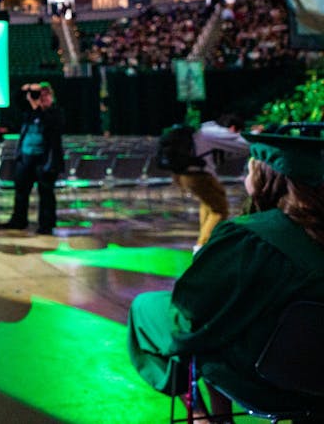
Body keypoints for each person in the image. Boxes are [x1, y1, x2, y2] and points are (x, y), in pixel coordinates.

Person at [128, 126, 324, 421]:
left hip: (260, 380)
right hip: (315, 376)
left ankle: (200, 413)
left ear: (266, 178)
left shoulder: (249, 238)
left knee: (149, 309)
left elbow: (188, 319)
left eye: (249, 171)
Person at [173, 114, 250, 250]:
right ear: (233, 128)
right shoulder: (215, 132)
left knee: (211, 202)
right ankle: (202, 247)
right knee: (220, 210)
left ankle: (205, 241)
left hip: (185, 174)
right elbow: (244, 144)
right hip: (198, 176)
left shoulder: (204, 129)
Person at [0, 82, 65, 235]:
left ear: (51, 96)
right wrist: (26, 89)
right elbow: (17, 101)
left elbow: (52, 126)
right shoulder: (30, 112)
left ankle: (46, 225)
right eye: (39, 95)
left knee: (46, 194)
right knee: (21, 192)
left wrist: (38, 107)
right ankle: (19, 220)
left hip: (45, 160)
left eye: (44, 95)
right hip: (26, 158)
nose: (41, 99)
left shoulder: (55, 112)